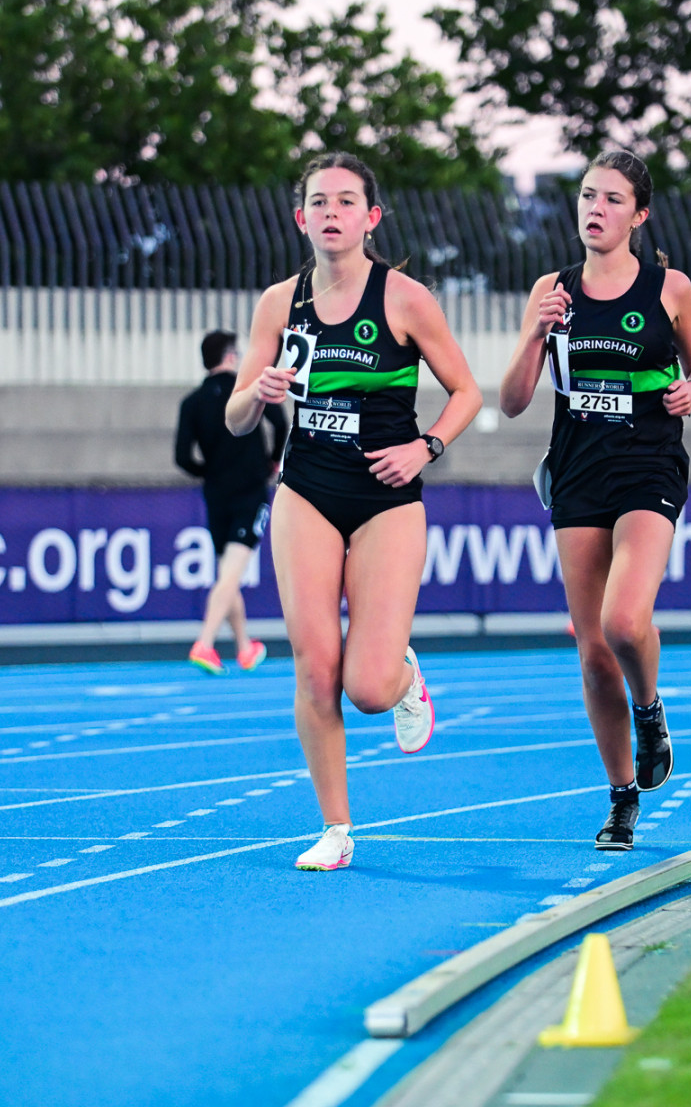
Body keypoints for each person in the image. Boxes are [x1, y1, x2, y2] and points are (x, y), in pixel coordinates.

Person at [225, 153, 482, 872]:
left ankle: (402, 674)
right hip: (307, 490)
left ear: (371, 218)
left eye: (345, 201)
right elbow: (236, 418)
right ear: (299, 218)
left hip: (385, 498)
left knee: (365, 688)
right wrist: (258, 393)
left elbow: (467, 392)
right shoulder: (279, 303)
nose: (330, 213)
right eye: (319, 201)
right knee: (315, 670)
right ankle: (336, 828)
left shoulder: (404, 298)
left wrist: (426, 447)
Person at [499, 149, 691, 852]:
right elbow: (511, 402)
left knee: (624, 622)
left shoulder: (668, 288)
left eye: (613, 199)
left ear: (639, 214)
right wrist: (537, 333)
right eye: (588, 195)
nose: (596, 209)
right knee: (593, 651)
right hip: (577, 471)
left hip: (649, 464)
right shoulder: (552, 289)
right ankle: (622, 797)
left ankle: (649, 710)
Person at [175, 329, 287, 675]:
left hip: (216, 495)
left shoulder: (192, 402)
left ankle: (244, 647)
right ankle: (204, 643)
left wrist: (209, 472)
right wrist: (272, 460)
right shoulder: (246, 390)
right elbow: (280, 424)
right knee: (230, 575)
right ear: (229, 357)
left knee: (228, 572)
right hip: (249, 491)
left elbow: (182, 457)